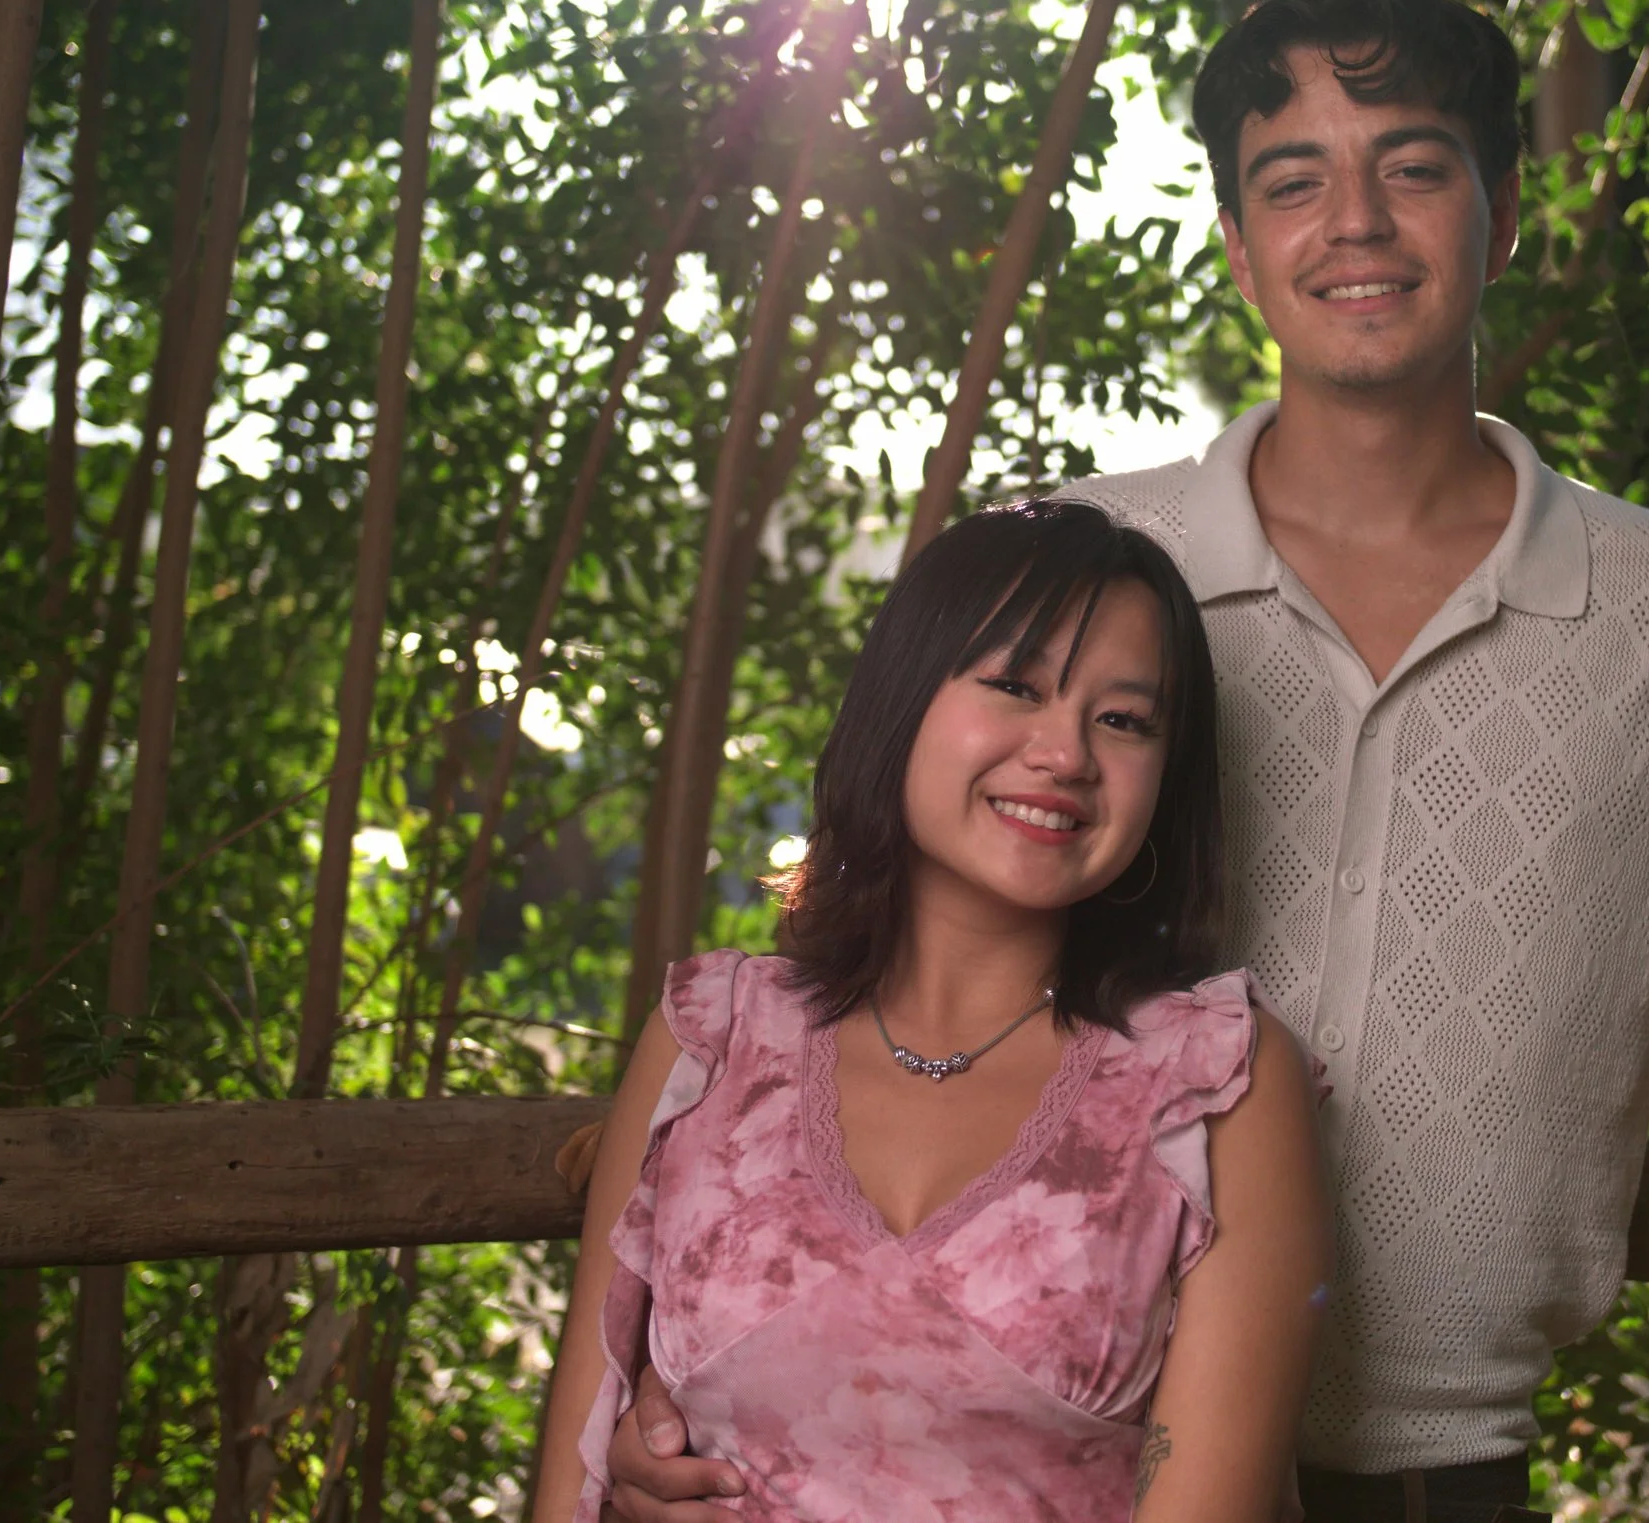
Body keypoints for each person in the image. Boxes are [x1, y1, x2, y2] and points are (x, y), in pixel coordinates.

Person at [605, 0, 1649, 1523]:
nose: (1357, 222)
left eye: (1414, 167)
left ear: (1503, 214)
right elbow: (870, 979)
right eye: (1294, 181)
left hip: (1444, 1471)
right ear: (1241, 247)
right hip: (1027, 1457)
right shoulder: (1086, 575)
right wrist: (689, 1373)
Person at [531, 501, 1332, 1523]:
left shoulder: (1216, 1083)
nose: (1066, 753)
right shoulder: (712, 1032)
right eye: (1016, 684)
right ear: (903, 697)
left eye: (1124, 720)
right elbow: (571, 1485)